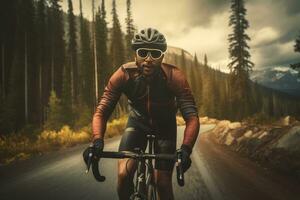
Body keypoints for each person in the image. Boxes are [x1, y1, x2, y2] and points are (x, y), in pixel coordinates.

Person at [91, 28, 200, 200]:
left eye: (155, 53)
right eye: (143, 52)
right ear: (135, 55)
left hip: (165, 126)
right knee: (123, 176)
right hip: (137, 123)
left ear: (162, 57)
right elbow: (101, 111)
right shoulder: (124, 74)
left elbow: (192, 118)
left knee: (162, 184)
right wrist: (97, 140)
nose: (148, 59)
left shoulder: (174, 76)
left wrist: (186, 149)